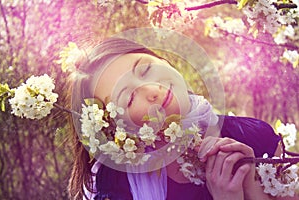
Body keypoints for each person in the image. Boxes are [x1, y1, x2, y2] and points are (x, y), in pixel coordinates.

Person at [67, 37, 294, 200]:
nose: (152, 89)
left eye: (146, 69)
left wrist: (252, 187)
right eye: (128, 98)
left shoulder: (254, 137)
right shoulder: (115, 186)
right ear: (115, 128)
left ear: (163, 61)